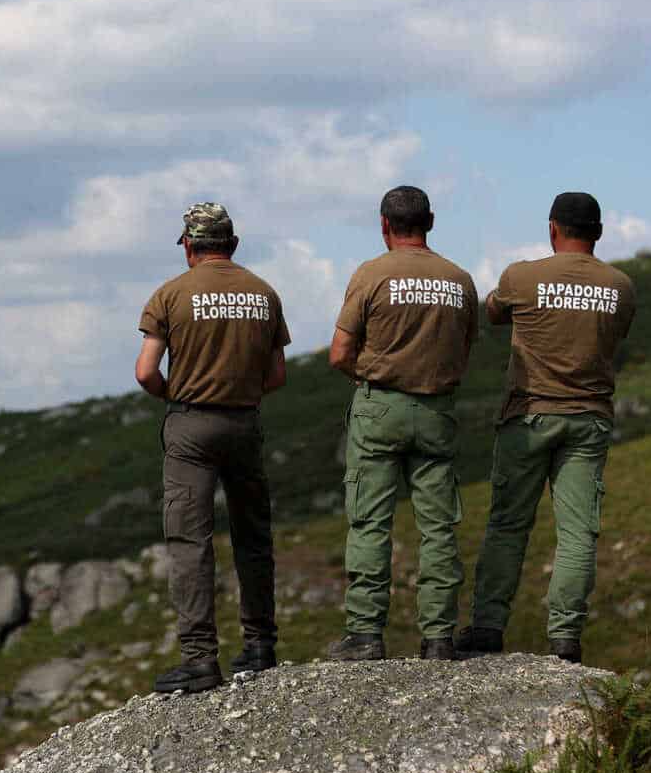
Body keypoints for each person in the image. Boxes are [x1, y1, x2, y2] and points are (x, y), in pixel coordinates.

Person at [457, 192, 636, 664]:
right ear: (598, 232)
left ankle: (488, 628)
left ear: (552, 228)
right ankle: (564, 640)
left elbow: (493, 311)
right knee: (577, 534)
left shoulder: (523, 276)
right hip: (589, 419)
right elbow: (615, 333)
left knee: (508, 525)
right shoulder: (621, 286)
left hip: (528, 415)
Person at [136, 202, 291, 694]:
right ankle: (261, 644)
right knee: (252, 536)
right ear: (233, 244)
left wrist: (177, 395)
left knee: (190, 543)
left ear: (188, 245)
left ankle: (201, 658)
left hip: (191, 425)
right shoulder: (263, 294)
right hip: (245, 424)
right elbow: (277, 375)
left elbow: (145, 371)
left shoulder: (170, 294)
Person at [326, 186, 478, 662]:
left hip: (379, 408)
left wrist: (374, 379)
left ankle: (366, 634)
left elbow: (339, 354)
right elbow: (465, 348)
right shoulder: (459, 280)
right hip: (436, 411)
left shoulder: (371, 274)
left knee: (371, 521)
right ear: (430, 222)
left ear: (384, 224)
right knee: (438, 528)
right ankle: (438, 637)